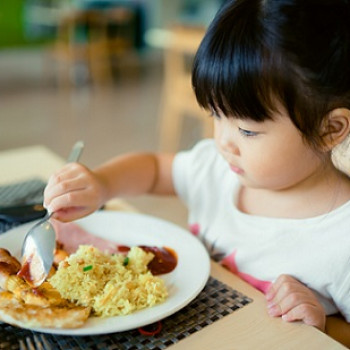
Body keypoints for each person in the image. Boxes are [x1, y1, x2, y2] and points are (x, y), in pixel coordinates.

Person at [44, 0, 350, 337]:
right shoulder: (218, 168)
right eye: (216, 116)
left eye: (247, 130)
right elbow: (156, 169)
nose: (223, 141)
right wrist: (102, 184)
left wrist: (322, 324)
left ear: (329, 130)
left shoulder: (340, 241)